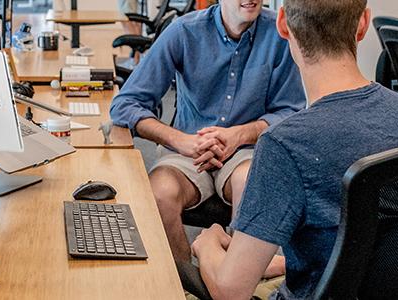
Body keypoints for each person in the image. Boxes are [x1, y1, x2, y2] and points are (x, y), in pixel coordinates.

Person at [191, 0, 398, 298]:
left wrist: (207, 243)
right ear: (363, 23)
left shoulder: (285, 143)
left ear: (283, 23)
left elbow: (230, 290)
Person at [109, 0, 306, 265]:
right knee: (157, 194)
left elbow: (291, 111)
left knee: (251, 183)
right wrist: (179, 140)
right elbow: (125, 104)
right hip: (186, 150)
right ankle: (184, 286)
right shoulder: (184, 31)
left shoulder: (279, 34)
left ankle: (238, 281)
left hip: (245, 150)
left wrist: (239, 134)